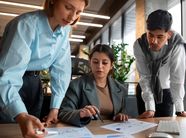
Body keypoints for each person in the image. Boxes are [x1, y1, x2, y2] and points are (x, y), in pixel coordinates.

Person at [0, 0, 89, 137]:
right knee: (10, 131)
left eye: (78, 12)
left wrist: (55, 107)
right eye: (68, 7)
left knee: (34, 131)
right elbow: (7, 77)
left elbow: (62, 71)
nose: (72, 17)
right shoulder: (25, 25)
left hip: (35, 83)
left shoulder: (65, 30)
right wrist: (21, 115)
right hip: (11, 87)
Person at [134, 9, 186, 118]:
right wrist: (150, 107)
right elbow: (145, 77)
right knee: (144, 128)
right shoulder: (139, 45)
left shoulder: (177, 45)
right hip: (144, 90)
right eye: (150, 35)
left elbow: (177, 79)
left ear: (169, 34)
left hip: (166, 92)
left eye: (160, 37)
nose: (154, 41)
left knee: (165, 128)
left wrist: (180, 109)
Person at [58, 44, 128, 127]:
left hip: (114, 131)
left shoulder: (120, 88)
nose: (99, 66)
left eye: (105, 63)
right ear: (90, 63)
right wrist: (80, 113)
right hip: (86, 131)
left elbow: (123, 112)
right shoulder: (76, 85)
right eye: (95, 62)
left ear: (111, 65)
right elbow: (63, 113)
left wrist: (120, 116)